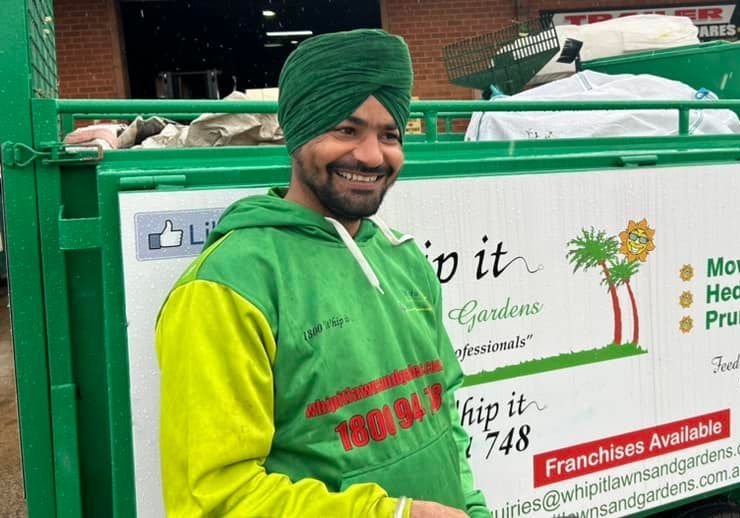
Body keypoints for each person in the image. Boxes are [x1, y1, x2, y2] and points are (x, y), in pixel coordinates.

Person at [155, 29, 490, 518]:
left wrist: (472, 506)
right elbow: (215, 499)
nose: (372, 156)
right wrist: (392, 514)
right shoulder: (228, 286)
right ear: (298, 132)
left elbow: (443, 416)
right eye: (346, 130)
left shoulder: (404, 259)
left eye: (389, 135)